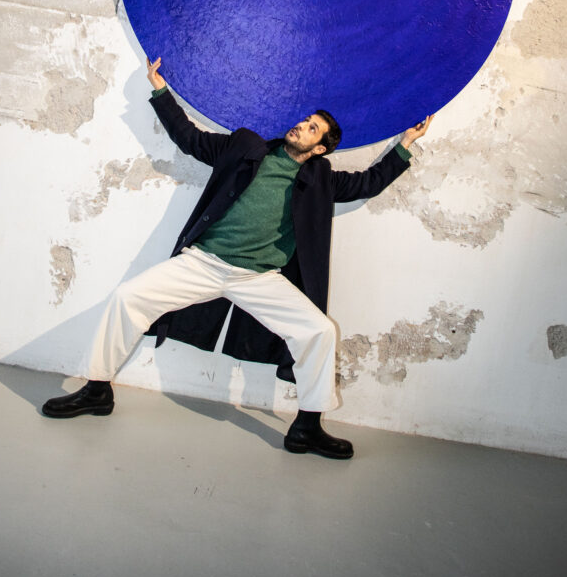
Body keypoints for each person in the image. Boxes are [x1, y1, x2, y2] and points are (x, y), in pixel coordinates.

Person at [42, 56, 433, 459]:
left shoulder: (320, 179)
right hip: (203, 263)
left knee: (319, 331)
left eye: (312, 128)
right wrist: (160, 90)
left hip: (259, 279)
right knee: (128, 298)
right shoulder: (245, 148)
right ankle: (97, 389)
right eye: (305, 120)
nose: (302, 125)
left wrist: (405, 145)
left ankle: (307, 427)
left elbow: (367, 183)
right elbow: (191, 139)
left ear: (319, 148)